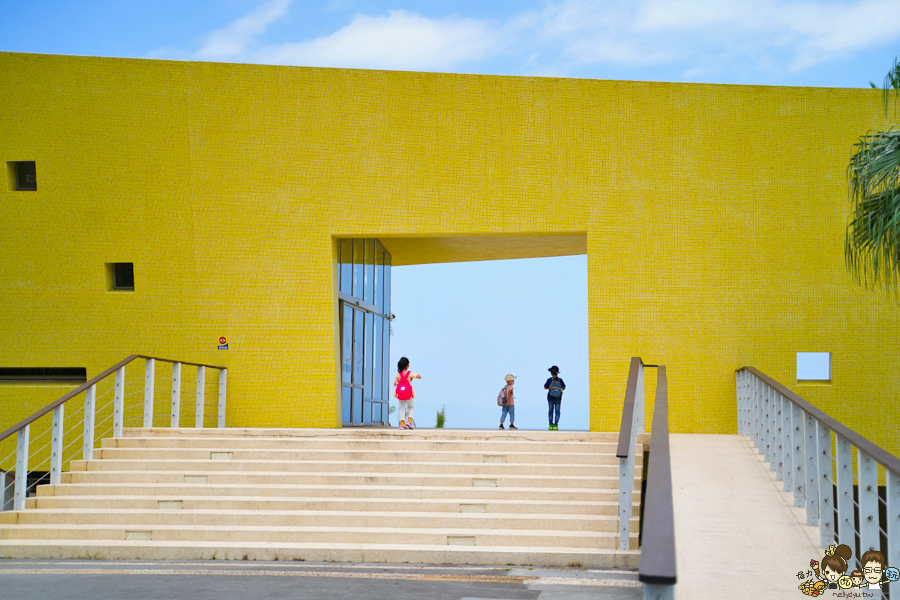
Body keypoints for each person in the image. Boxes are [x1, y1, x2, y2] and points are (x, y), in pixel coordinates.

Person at [393, 357, 421, 429]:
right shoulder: (409, 373)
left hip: (400, 394)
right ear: (407, 365)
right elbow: (418, 377)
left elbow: (395, 384)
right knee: (411, 406)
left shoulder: (398, 375)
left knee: (402, 408)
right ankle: (409, 420)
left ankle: (402, 424)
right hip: (408, 393)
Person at [543, 366, 566, 430]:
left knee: (550, 411)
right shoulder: (560, 380)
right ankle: (555, 425)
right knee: (557, 411)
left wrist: (550, 388)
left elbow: (545, 387)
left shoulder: (549, 380)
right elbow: (564, 387)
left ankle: (550, 425)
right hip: (558, 398)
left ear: (551, 373)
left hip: (550, 397)